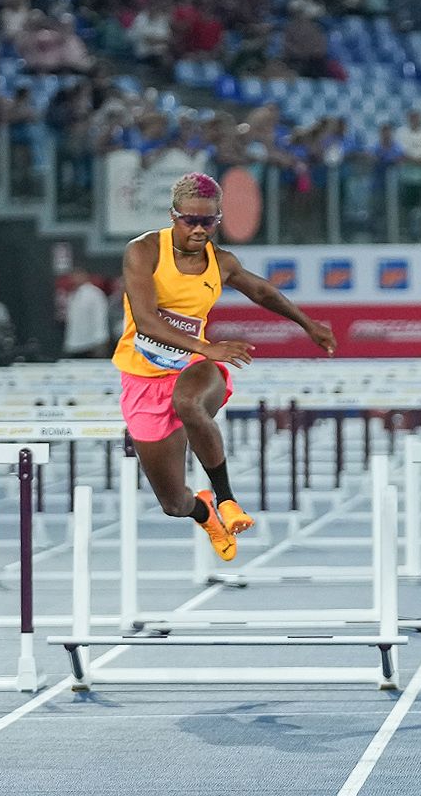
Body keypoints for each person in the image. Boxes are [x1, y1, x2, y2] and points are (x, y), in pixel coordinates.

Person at [115, 173, 335, 561]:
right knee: (173, 503)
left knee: (189, 402)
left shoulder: (221, 262)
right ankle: (204, 511)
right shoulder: (144, 251)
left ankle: (227, 499)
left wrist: (307, 323)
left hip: (195, 368)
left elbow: (262, 291)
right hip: (143, 377)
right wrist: (207, 345)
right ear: (173, 216)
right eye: (191, 221)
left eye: (209, 221)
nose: (199, 230)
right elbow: (146, 321)